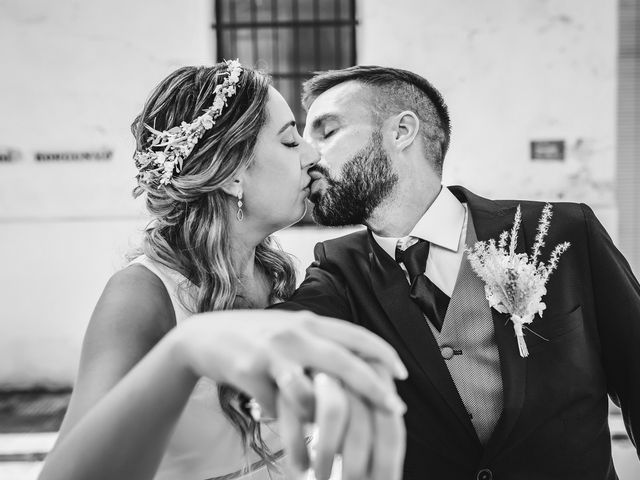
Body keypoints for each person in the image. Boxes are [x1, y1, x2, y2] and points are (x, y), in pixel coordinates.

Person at [37, 60, 408, 480]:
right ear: (232, 173)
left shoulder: (279, 274)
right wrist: (184, 353)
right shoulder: (142, 295)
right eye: (290, 142)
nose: (311, 155)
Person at [273, 65, 640, 480]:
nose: (307, 156)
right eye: (298, 140)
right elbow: (272, 336)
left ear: (402, 131)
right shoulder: (338, 267)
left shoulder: (562, 231)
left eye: (326, 132)